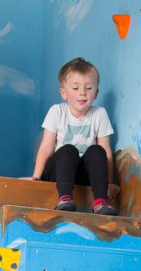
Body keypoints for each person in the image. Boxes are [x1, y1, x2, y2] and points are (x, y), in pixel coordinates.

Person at [32, 57, 118, 216]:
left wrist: (110, 182)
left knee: (97, 150)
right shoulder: (57, 111)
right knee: (68, 150)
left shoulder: (99, 113)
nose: (82, 93)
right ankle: (64, 198)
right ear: (64, 93)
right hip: (60, 171)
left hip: (84, 174)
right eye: (76, 88)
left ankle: (100, 201)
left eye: (89, 88)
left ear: (96, 92)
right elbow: (47, 146)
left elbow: (106, 152)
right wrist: (36, 177)